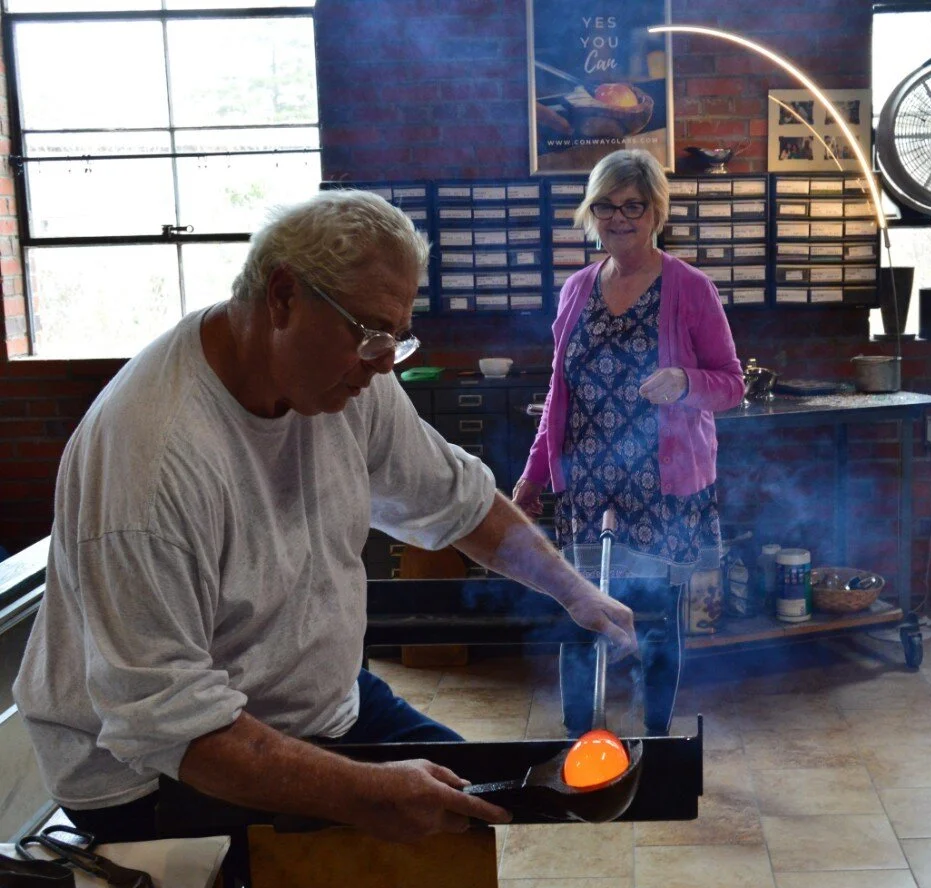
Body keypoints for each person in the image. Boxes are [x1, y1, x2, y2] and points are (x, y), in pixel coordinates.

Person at [13, 190, 638, 853]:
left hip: (312, 699)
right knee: (408, 839)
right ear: (282, 296)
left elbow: (456, 499)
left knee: (463, 813)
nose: (382, 363)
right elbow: (170, 725)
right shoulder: (154, 460)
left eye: (397, 338)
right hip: (148, 773)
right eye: (370, 334)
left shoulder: (345, 379)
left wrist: (574, 591)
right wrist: (365, 792)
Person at [513, 149, 744, 738]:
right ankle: (579, 737)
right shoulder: (577, 289)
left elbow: (731, 385)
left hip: (660, 486)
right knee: (579, 613)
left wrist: (685, 382)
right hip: (587, 485)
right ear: (591, 212)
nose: (618, 218)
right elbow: (558, 393)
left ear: (655, 211)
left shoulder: (689, 288)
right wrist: (533, 477)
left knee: (657, 618)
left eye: (632, 206)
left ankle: (656, 735)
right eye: (606, 206)